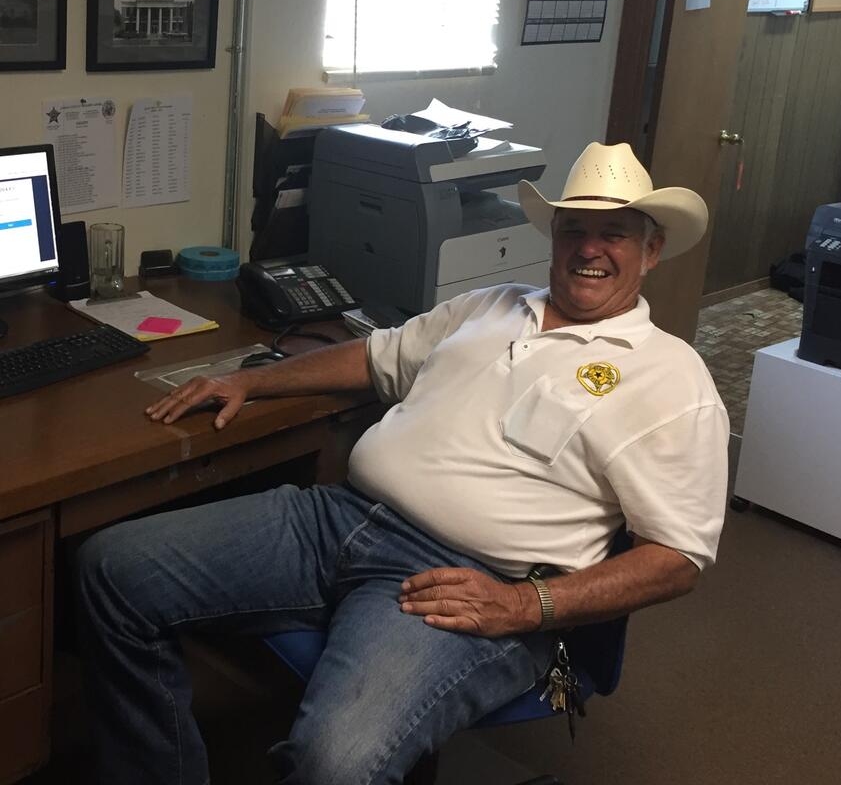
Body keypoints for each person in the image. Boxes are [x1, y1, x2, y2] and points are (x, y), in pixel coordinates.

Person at [76, 142, 729, 785]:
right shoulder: (490, 304)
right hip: (338, 517)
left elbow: (676, 558)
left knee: (336, 762)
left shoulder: (670, 379)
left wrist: (524, 605)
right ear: (553, 237)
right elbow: (373, 356)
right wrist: (252, 382)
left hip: (465, 584)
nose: (590, 248)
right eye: (574, 229)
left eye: (614, 234)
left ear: (651, 250)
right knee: (113, 569)